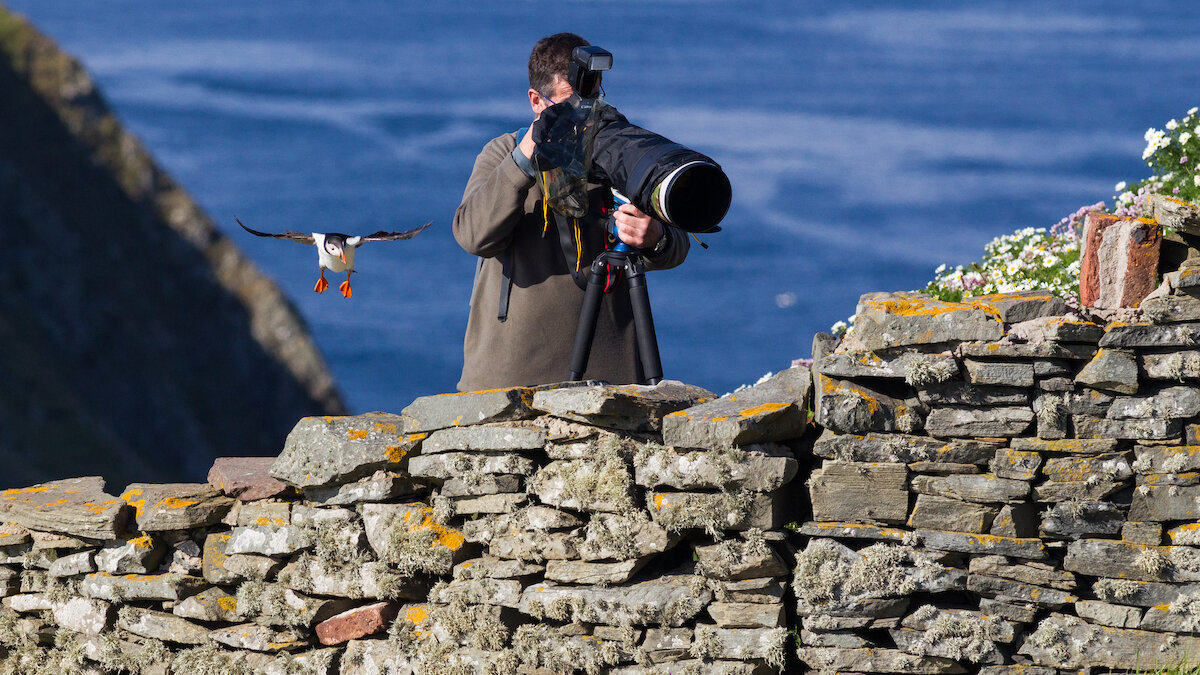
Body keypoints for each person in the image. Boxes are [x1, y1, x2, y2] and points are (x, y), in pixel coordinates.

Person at [453, 33, 690, 392]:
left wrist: (655, 237)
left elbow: (678, 244)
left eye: (592, 100)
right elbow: (473, 235)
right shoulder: (502, 153)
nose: (585, 114)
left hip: (613, 375)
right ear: (536, 101)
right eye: (570, 104)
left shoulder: (615, 153)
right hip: (511, 376)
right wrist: (525, 156)